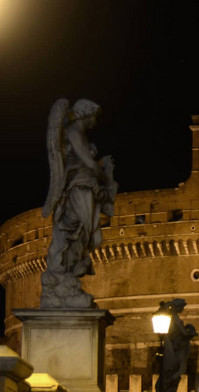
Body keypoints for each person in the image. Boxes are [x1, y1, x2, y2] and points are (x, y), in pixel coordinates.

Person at [41, 98, 118, 309]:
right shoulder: (74, 132)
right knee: (79, 229)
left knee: (84, 234)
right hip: (79, 188)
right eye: (94, 117)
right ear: (87, 114)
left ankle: (67, 274)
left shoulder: (79, 134)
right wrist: (105, 175)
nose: (95, 122)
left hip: (86, 188)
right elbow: (88, 162)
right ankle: (62, 274)